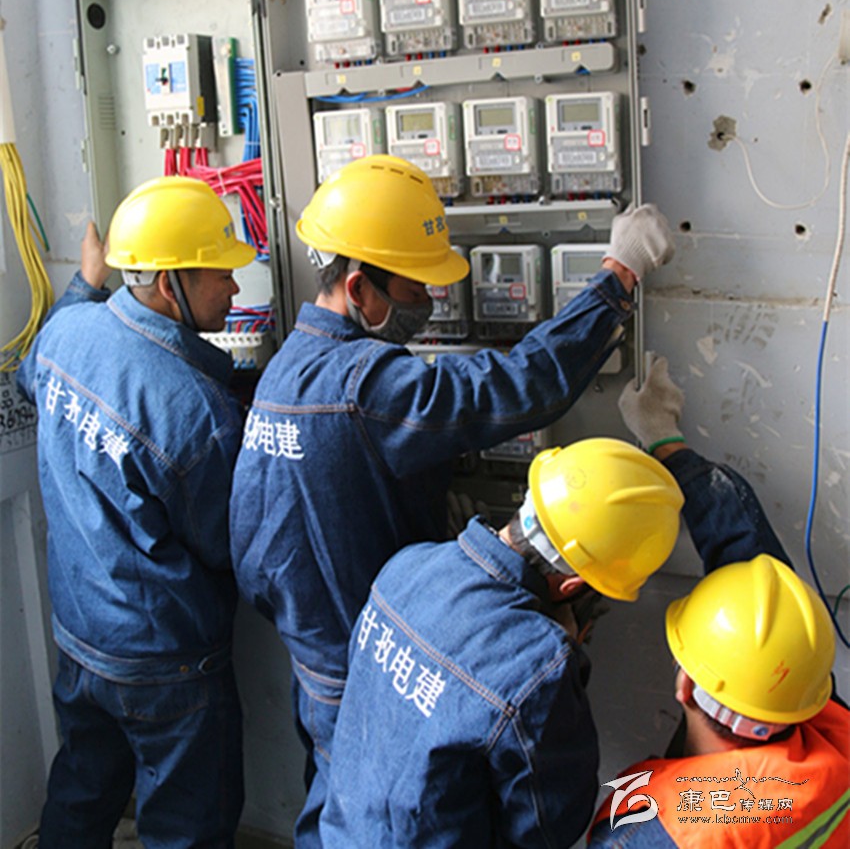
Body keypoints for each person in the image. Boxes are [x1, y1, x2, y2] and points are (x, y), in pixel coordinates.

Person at [229, 154, 676, 845]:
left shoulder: (288, 367)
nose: (429, 302)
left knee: (338, 816)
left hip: (325, 663)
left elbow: (253, 549)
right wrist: (617, 277)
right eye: (415, 286)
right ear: (360, 288)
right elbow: (517, 386)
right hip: (365, 669)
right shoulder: (367, 386)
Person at [17, 176, 256, 848]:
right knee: (187, 829)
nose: (235, 289)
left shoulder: (67, 331)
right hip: (166, 664)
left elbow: (28, 377)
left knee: (80, 798)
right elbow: (228, 546)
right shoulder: (196, 412)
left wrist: (85, 284)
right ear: (169, 282)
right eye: (220, 275)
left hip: (81, 637)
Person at [319, 437, 685, 847]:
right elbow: (551, 824)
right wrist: (564, 655)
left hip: (342, 834)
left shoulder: (407, 564)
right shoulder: (539, 666)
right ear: (572, 586)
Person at [586, 354, 849, 847]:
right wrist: (667, 442)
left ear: (684, 684)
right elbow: (763, 594)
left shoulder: (651, 831)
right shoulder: (834, 738)